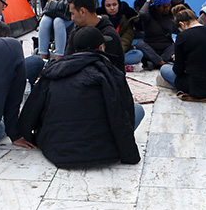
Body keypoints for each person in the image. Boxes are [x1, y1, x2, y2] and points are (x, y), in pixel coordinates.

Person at [17, 27, 142, 168]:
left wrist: (27, 135)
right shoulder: (111, 73)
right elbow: (123, 115)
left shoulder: (54, 71)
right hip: (104, 153)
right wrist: (129, 154)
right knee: (138, 109)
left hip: (57, 151)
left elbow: (32, 110)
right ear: (100, 48)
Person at [65, 0, 126, 72]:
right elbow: (67, 61)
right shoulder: (76, 33)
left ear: (82, 11)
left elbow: (104, 70)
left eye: (73, 13)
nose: (72, 18)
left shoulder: (109, 35)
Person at [136, 0, 180, 68]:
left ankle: (155, 63)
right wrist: (149, 1)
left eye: (169, 5)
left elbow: (181, 0)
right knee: (140, 44)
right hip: (151, 47)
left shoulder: (169, 13)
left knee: (178, 43)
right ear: (157, 6)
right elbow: (142, 13)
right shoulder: (149, 15)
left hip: (166, 48)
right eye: (165, 6)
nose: (168, 8)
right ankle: (161, 63)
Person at [99, 0, 143, 66]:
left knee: (138, 54)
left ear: (119, 4)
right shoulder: (99, 20)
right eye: (108, 5)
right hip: (104, 53)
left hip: (121, 53)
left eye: (114, 4)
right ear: (104, 6)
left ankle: (110, 63)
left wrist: (118, 53)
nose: (112, 8)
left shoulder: (126, 19)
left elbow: (126, 39)